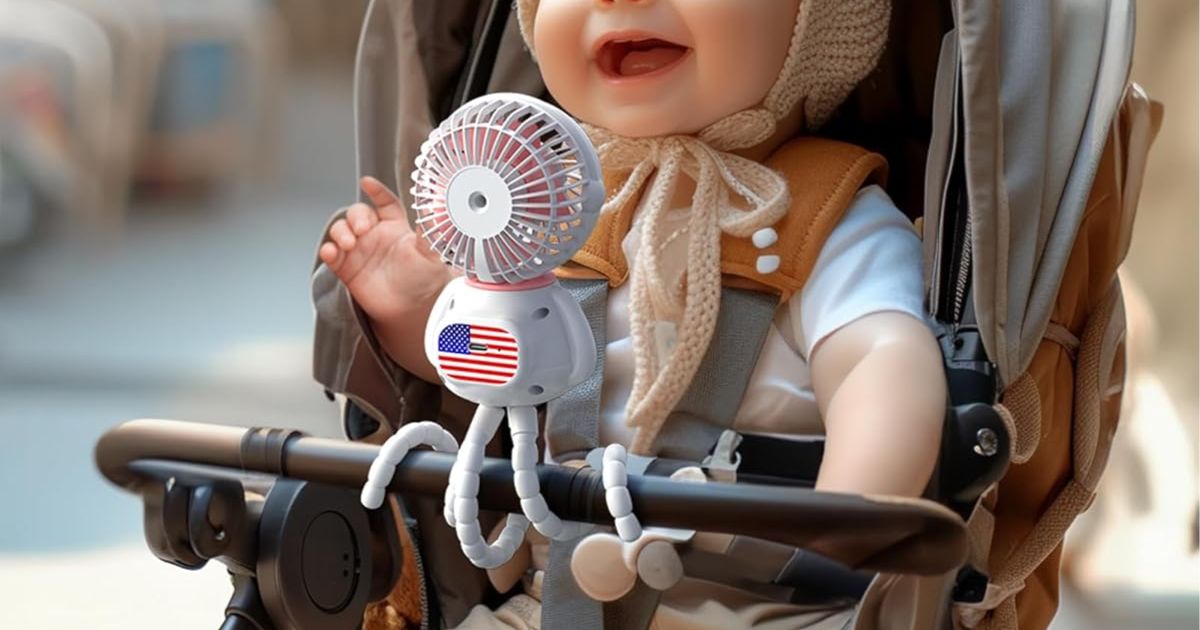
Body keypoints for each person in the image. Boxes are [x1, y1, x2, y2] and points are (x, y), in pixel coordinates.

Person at [318, 0, 947, 626]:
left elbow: (878, 361)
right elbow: (500, 364)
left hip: (756, 603)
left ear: (818, 24)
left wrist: (849, 511)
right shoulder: (553, 209)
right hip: (555, 601)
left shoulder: (831, 225)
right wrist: (426, 313)